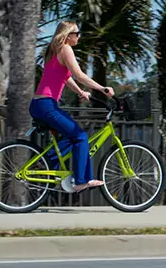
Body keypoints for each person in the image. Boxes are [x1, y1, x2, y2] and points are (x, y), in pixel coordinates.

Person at [30, 21, 114, 193]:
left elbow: (66, 78)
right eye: (77, 33)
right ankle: (81, 180)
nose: (79, 36)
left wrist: (80, 92)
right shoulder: (66, 48)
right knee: (81, 136)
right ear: (68, 35)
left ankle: (46, 160)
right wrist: (102, 89)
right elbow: (78, 74)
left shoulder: (54, 51)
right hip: (47, 104)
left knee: (72, 136)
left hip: (39, 104)